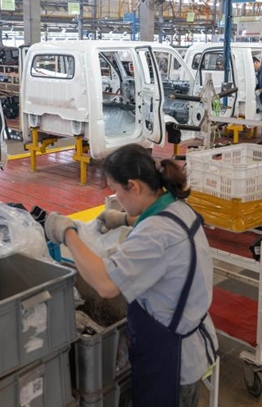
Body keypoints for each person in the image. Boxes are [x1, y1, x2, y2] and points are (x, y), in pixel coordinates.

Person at [44, 144, 218, 407]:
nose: (116, 196)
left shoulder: (155, 235)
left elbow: (106, 284)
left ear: (133, 186)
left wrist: (67, 232)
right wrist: (125, 220)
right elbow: (165, 230)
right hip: (188, 338)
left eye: (116, 191)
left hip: (171, 361)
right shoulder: (176, 206)